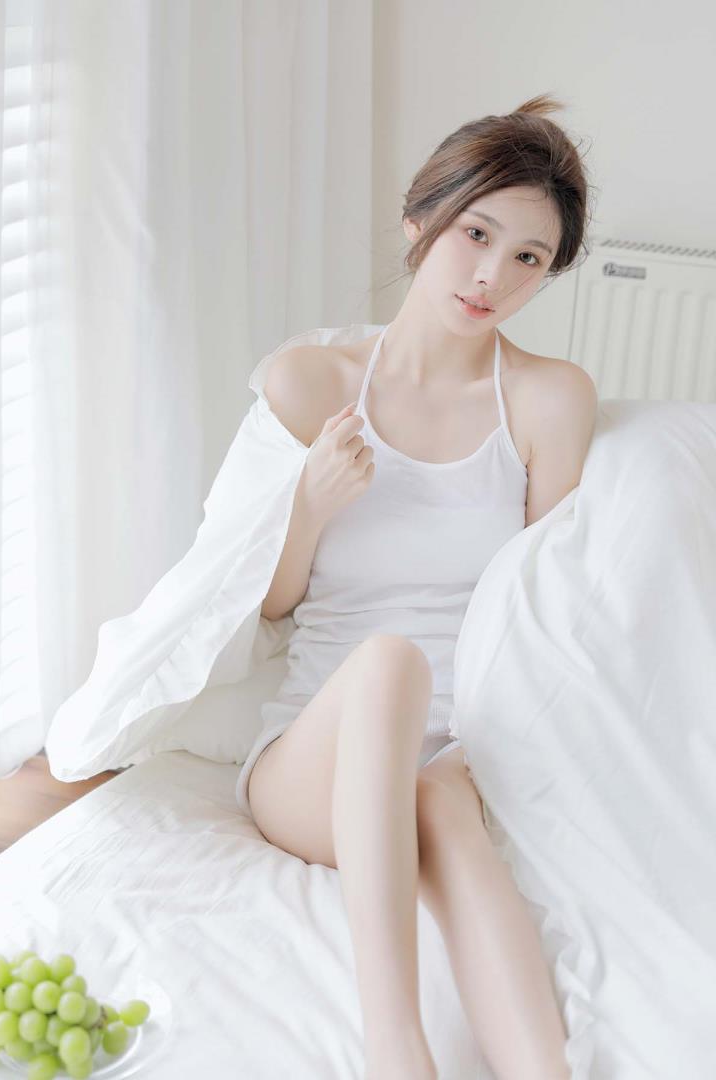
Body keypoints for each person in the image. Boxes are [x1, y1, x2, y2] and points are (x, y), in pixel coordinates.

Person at [243, 93, 598, 1080]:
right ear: (420, 220)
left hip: (462, 756)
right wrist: (309, 506)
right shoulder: (310, 383)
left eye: (528, 256)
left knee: (440, 797)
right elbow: (266, 607)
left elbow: (541, 610)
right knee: (389, 664)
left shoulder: (548, 399)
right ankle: (394, 1044)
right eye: (475, 234)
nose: (492, 276)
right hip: (315, 763)